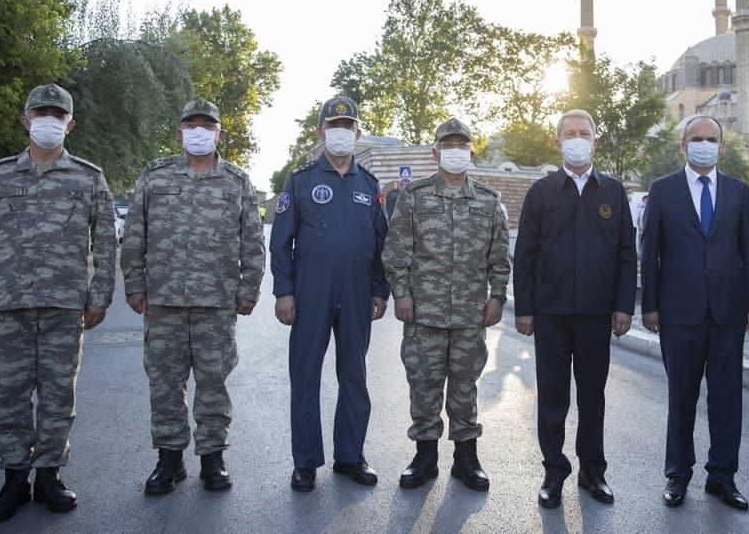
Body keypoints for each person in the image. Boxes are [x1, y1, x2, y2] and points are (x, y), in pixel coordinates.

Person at [0, 84, 117, 523]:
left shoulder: (88, 177)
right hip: (8, 304)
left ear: (70, 123)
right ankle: (14, 478)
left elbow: (105, 243)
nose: (48, 120)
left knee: (58, 393)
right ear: (25, 120)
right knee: (9, 395)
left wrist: (100, 295)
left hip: (65, 305)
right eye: (40, 113)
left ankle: (50, 474)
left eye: (57, 114)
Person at [121, 98, 265, 495]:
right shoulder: (156, 176)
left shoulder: (236, 181)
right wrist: (134, 283)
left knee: (214, 382)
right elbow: (135, 232)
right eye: (191, 123)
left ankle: (212, 457)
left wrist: (248, 288)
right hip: (163, 299)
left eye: (207, 124)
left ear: (220, 133)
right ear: (180, 131)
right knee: (164, 383)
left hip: (216, 303)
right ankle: (169, 459)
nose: (199, 130)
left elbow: (252, 241)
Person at [512, 110, 636, 509]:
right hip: (550, 314)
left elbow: (625, 254)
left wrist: (622, 307)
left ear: (596, 141)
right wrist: (524, 309)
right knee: (552, 397)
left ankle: (592, 472)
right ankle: (553, 473)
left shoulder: (613, 192)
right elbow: (525, 255)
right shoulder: (542, 192)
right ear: (558, 141)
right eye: (571, 133)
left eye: (585, 133)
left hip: (596, 316)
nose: (578, 139)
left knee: (592, 397)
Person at [382, 117, 510, 492]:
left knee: (465, 385)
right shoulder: (415, 196)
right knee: (423, 383)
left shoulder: (488, 200)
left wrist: (498, 296)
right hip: (424, 312)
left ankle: (466, 458)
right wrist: (401, 293)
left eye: (462, 144)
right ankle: (425, 456)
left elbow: (499, 255)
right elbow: (397, 250)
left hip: (471, 313)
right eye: (448, 144)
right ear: (436, 151)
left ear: (471, 150)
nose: (455, 150)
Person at [269, 96, 390, 492]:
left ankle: (350, 456)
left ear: (357, 133)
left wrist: (380, 289)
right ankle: (305, 461)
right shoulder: (301, 180)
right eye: (333, 125)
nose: (341, 132)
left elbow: (381, 242)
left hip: (356, 294)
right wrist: (284, 292)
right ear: (320, 132)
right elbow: (280, 242)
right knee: (305, 376)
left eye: (348, 125)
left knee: (353, 375)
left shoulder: (369, 185)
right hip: (310, 294)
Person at [640, 115, 749, 510]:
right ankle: (678, 474)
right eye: (696, 139)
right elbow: (650, 251)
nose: (704, 144)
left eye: (711, 139)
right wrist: (650, 305)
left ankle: (722, 477)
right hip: (678, 312)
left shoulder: (739, 191)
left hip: (728, 314)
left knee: (726, 400)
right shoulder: (663, 190)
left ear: (721, 147)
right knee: (681, 397)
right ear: (683, 145)